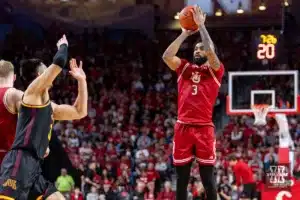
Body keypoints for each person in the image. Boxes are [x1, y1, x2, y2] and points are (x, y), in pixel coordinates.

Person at [0, 35, 88, 200]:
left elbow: (79, 112)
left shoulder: (50, 107)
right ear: (39, 74)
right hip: (19, 162)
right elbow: (59, 62)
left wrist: (82, 81)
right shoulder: (32, 93)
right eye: (45, 68)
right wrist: (63, 46)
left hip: (34, 166)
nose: (50, 70)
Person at [162, 5, 224, 200]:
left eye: (202, 48)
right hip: (183, 127)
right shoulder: (185, 68)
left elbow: (211, 52)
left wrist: (202, 26)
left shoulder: (215, 71)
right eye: (196, 48)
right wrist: (184, 34)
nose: (198, 50)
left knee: (208, 179)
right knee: (182, 179)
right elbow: (166, 57)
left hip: (204, 128)